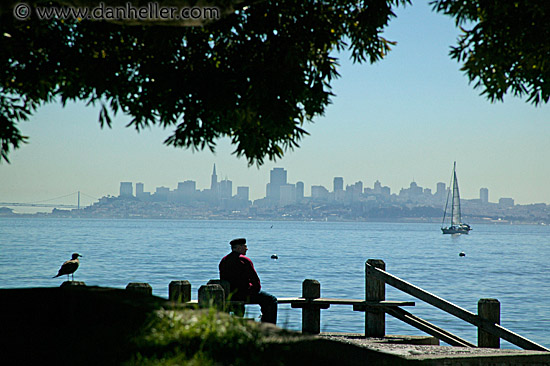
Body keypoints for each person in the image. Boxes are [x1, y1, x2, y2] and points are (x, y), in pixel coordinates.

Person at [219, 238, 277, 324]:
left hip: (230, 294)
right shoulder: (244, 260)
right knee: (271, 300)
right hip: (244, 294)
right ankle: (268, 326)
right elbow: (255, 280)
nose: (247, 249)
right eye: (245, 246)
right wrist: (254, 290)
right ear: (239, 248)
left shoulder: (224, 260)